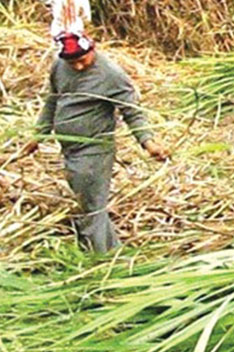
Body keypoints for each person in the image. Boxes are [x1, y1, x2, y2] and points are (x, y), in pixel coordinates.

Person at [22, 33, 169, 253]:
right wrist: (38, 135)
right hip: (69, 148)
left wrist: (149, 143)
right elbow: (53, 101)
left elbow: (132, 113)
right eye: (72, 63)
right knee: (87, 203)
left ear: (92, 49)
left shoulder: (111, 74)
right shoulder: (59, 67)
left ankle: (101, 258)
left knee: (92, 207)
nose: (79, 66)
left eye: (83, 60)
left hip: (94, 149)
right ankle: (108, 251)